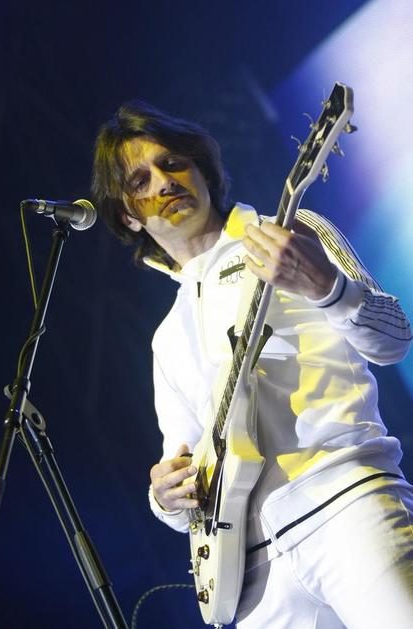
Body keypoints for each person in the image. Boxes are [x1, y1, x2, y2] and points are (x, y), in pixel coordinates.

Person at [92, 100, 413, 628]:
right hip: (251, 577)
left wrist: (327, 287)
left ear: (202, 170)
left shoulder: (292, 231)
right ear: (128, 215)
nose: (164, 182)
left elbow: (395, 337)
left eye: (173, 163)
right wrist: (164, 498)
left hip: (348, 504)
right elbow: (185, 467)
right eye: (140, 180)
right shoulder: (166, 338)